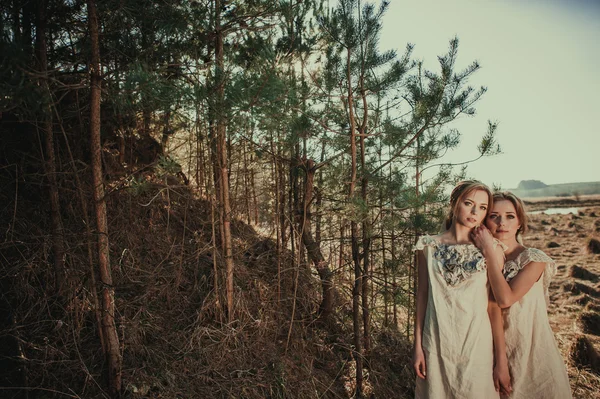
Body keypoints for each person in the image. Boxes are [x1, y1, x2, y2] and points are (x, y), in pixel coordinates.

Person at [413, 180, 512, 399]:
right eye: (469, 203)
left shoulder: (492, 248)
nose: (475, 211)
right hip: (437, 343)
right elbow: (422, 296)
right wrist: (417, 346)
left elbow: (494, 307)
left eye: (483, 207)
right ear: (454, 203)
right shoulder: (427, 246)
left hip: (476, 345)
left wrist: (501, 361)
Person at [471, 192, 572, 398]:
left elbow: (505, 299)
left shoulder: (534, 259)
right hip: (490, 349)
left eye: (510, 216)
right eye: (493, 216)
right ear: (484, 222)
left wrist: (490, 251)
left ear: (519, 222)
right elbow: (489, 308)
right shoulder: (476, 259)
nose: (502, 223)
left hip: (531, 350)